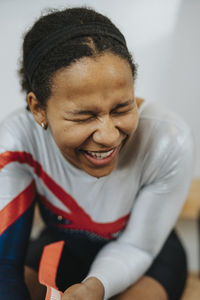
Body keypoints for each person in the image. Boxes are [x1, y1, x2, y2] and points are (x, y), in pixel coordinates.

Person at [0, 7, 193, 300]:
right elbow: (5, 264)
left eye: (121, 108)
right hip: (60, 249)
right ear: (39, 108)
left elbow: (138, 246)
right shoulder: (18, 141)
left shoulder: (167, 140)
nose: (108, 136)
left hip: (148, 256)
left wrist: (94, 288)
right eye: (83, 116)